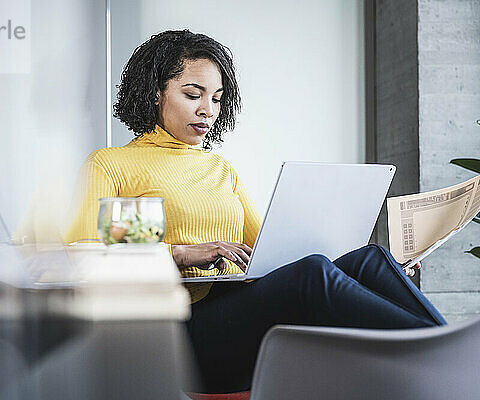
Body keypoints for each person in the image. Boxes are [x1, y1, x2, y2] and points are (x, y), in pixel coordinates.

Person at [64, 29, 446, 394]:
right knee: (312, 274)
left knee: (370, 259)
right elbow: (90, 258)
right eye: (192, 94)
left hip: (234, 312)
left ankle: (448, 349)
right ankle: (443, 354)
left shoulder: (219, 169)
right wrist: (180, 253)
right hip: (180, 336)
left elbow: (270, 254)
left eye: (216, 98)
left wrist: (363, 269)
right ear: (154, 94)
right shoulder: (114, 165)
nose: (207, 109)